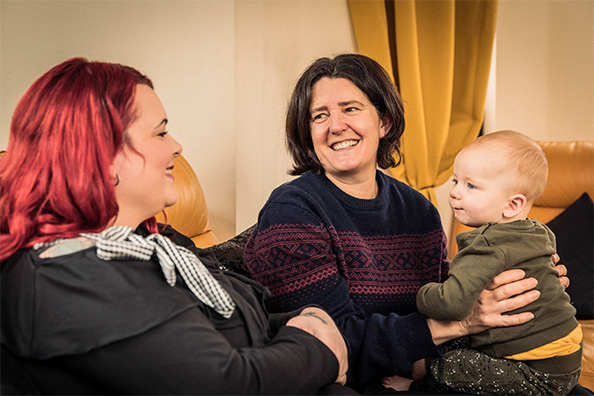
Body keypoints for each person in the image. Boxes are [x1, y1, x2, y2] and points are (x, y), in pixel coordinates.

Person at [0, 57, 351, 395]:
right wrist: (316, 348)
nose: (177, 147)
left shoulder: (154, 242)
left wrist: (306, 321)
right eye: (160, 133)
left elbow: (226, 326)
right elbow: (224, 385)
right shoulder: (64, 276)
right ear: (101, 158)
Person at [243, 54, 568, 391]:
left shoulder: (419, 210)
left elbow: (444, 289)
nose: (336, 125)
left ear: (384, 122)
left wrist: (515, 278)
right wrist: (462, 321)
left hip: (421, 373)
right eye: (319, 115)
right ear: (307, 133)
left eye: (350, 108)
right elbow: (334, 343)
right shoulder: (292, 211)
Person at [382, 130, 582, 395]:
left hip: (536, 371)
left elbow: (451, 304)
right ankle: (422, 364)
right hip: (567, 355)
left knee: (454, 366)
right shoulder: (538, 230)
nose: (454, 193)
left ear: (512, 205)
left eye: (471, 186)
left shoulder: (485, 244)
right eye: (456, 181)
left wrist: (422, 293)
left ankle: (417, 385)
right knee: (459, 340)